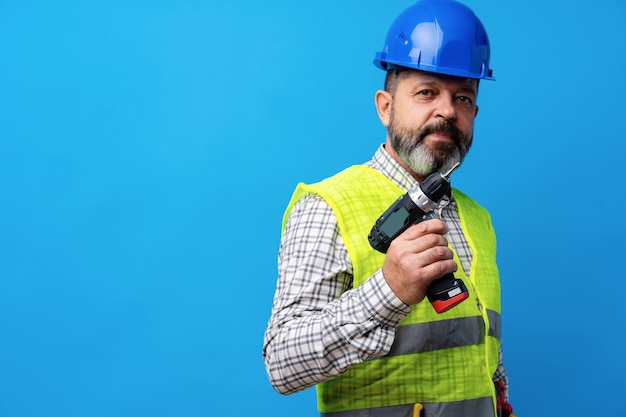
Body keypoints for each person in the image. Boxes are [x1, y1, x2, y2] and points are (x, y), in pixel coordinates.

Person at [263, 1, 515, 416]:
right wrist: (389, 291)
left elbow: (482, 349)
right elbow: (282, 364)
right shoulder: (327, 206)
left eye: (463, 98)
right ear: (385, 106)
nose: (447, 111)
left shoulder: (476, 219)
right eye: (426, 92)